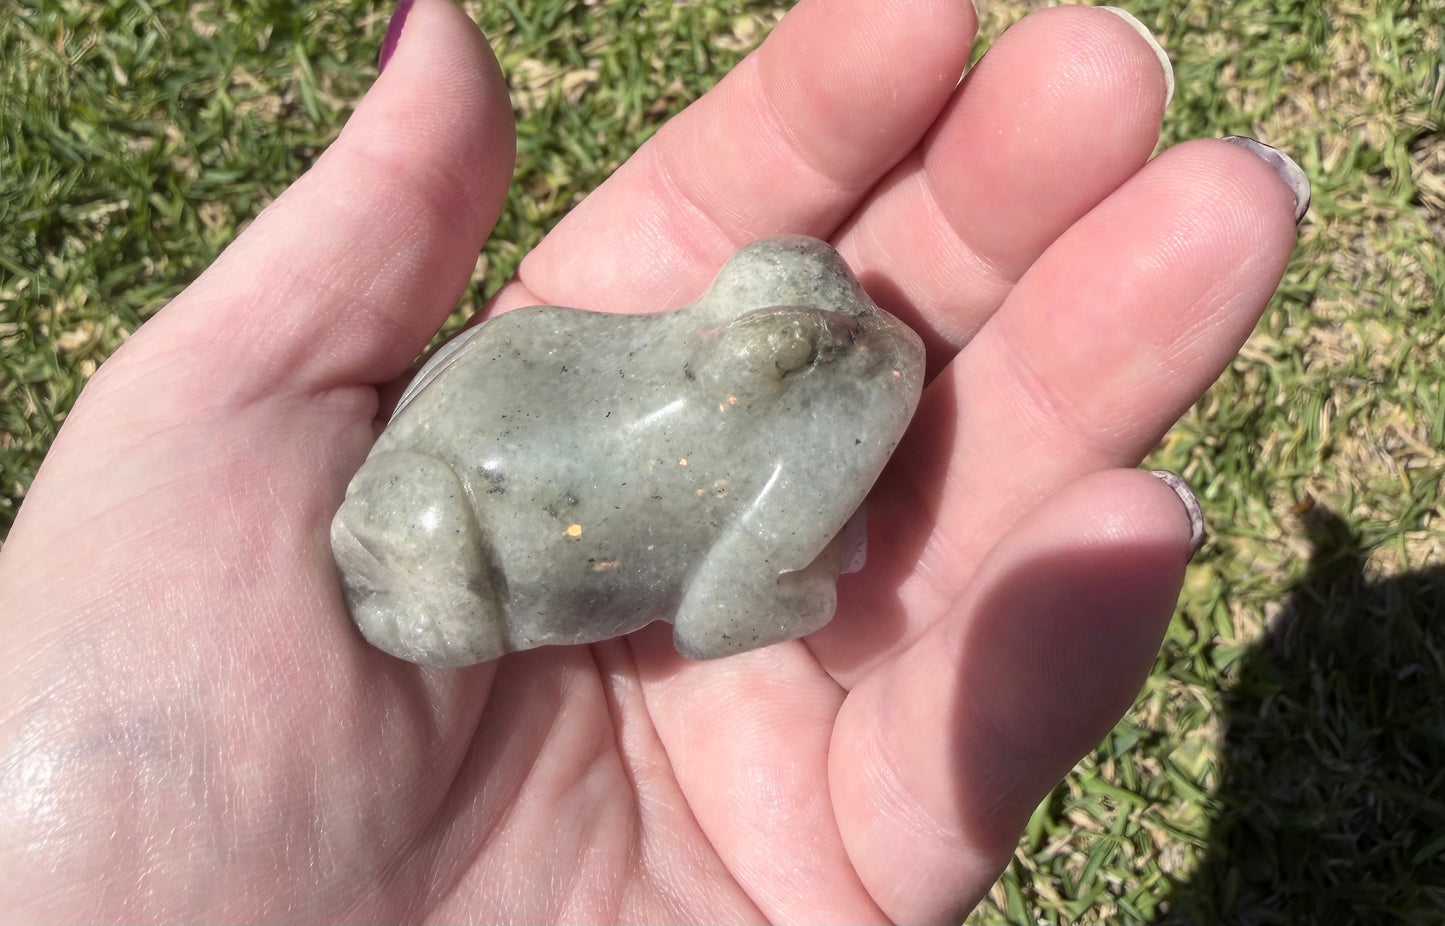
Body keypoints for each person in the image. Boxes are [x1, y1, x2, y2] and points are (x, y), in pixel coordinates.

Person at [0, 0, 1307, 920]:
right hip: (475, 520)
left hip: (524, 443)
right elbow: (735, 607)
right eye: (814, 349)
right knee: (448, 589)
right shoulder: (770, 460)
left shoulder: (759, 379)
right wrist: (815, 573)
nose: (876, 347)